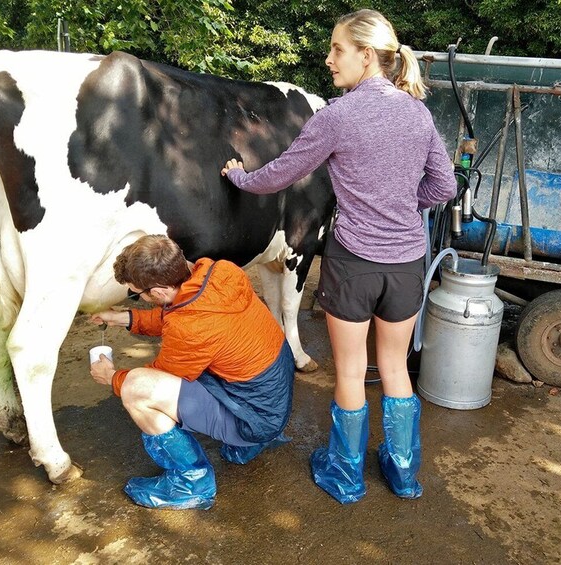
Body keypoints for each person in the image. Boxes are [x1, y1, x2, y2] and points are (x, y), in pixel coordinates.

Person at [221, 9, 457, 503]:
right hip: (407, 264)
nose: (329, 60)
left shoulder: (337, 116)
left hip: (353, 264)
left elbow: (280, 174)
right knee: (395, 369)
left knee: (351, 372)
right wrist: (398, 203)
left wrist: (239, 177)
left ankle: (346, 476)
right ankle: (404, 473)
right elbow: (444, 185)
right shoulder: (418, 112)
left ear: (366, 55)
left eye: (337, 50)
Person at [90, 235, 295, 510]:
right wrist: (125, 317)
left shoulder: (190, 329)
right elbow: (180, 312)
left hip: (256, 419)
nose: (138, 299)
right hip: (272, 394)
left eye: (137, 295)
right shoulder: (221, 272)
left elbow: (159, 375)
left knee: (136, 388)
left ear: (159, 291)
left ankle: (191, 482)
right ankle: (247, 445)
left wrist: (113, 377)